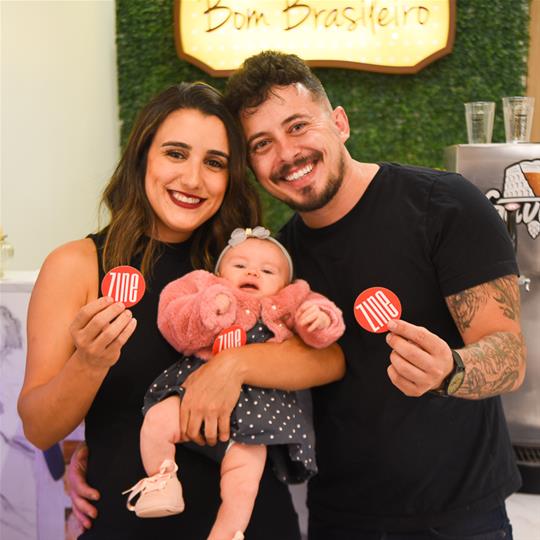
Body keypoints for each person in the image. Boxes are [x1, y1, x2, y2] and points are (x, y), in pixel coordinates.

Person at [67, 52, 526, 539]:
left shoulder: (443, 204)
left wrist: (451, 370)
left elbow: (510, 355)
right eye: (262, 144)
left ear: (339, 124)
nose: (287, 154)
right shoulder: (274, 264)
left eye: (298, 127)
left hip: (458, 518)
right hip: (336, 519)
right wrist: (104, 448)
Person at [17, 81, 345, 540]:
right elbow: (39, 428)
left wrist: (231, 366)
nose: (193, 179)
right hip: (129, 525)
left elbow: (329, 359)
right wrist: (88, 363)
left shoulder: (246, 262)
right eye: (175, 153)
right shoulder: (78, 265)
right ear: (142, 158)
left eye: (214, 163)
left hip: (254, 525)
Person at [125, 226, 344, 540]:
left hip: (260, 409)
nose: (253, 272)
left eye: (267, 271)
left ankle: (228, 533)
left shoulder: (290, 300)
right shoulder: (207, 287)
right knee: (157, 421)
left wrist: (318, 320)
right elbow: (174, 321)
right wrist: (206, 308)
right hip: (195, 390)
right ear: (218, 272)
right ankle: (163, 480)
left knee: (244, 478)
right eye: (240, 265)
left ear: (286, 284)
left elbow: (322, 334)